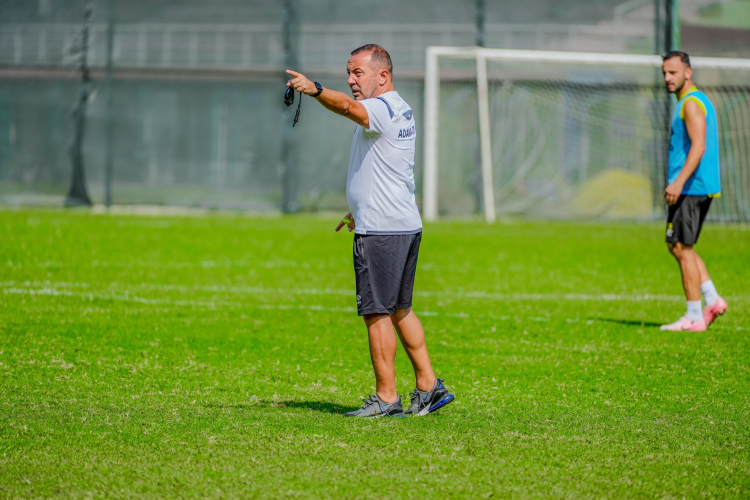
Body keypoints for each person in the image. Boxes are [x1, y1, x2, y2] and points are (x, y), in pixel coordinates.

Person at [285, 44, 454, 417]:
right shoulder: (401, 107)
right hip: (401, 223)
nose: (350, 80)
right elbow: (385, 167)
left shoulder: (379, 108)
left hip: (383, 230)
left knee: (376, 312)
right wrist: (358, 206)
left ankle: (387, 399)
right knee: (400, 309)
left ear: (383, 75)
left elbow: (346, 106)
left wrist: (314, 89)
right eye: (348, 73)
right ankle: (428, 387)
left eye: (357, 73)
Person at [659, 50, 728, 332]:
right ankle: (712, 299)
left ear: (688, 73)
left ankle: (694, 316)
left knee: (681, 247)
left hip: (691, 187)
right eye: (664, 72)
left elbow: (699, 146)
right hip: (694, 187)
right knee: (679, 246)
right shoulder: (690, 102)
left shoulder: (690, 104)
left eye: (673, 72)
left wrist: (678, 182)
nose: (667, 78)